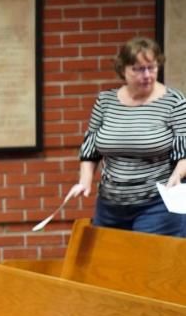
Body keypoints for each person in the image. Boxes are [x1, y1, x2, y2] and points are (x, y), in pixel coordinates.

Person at [71, 37, 186, 236]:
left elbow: (184, 150)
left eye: (152, 67)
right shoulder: (105, 101)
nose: (147, 75)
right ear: (123, 69)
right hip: (110, 205)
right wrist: (85, 180)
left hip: (157, 204)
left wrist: (178, 175)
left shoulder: (174, 102)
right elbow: (90, 148)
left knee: (145, 264)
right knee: (111, 264)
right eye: (138, 69)